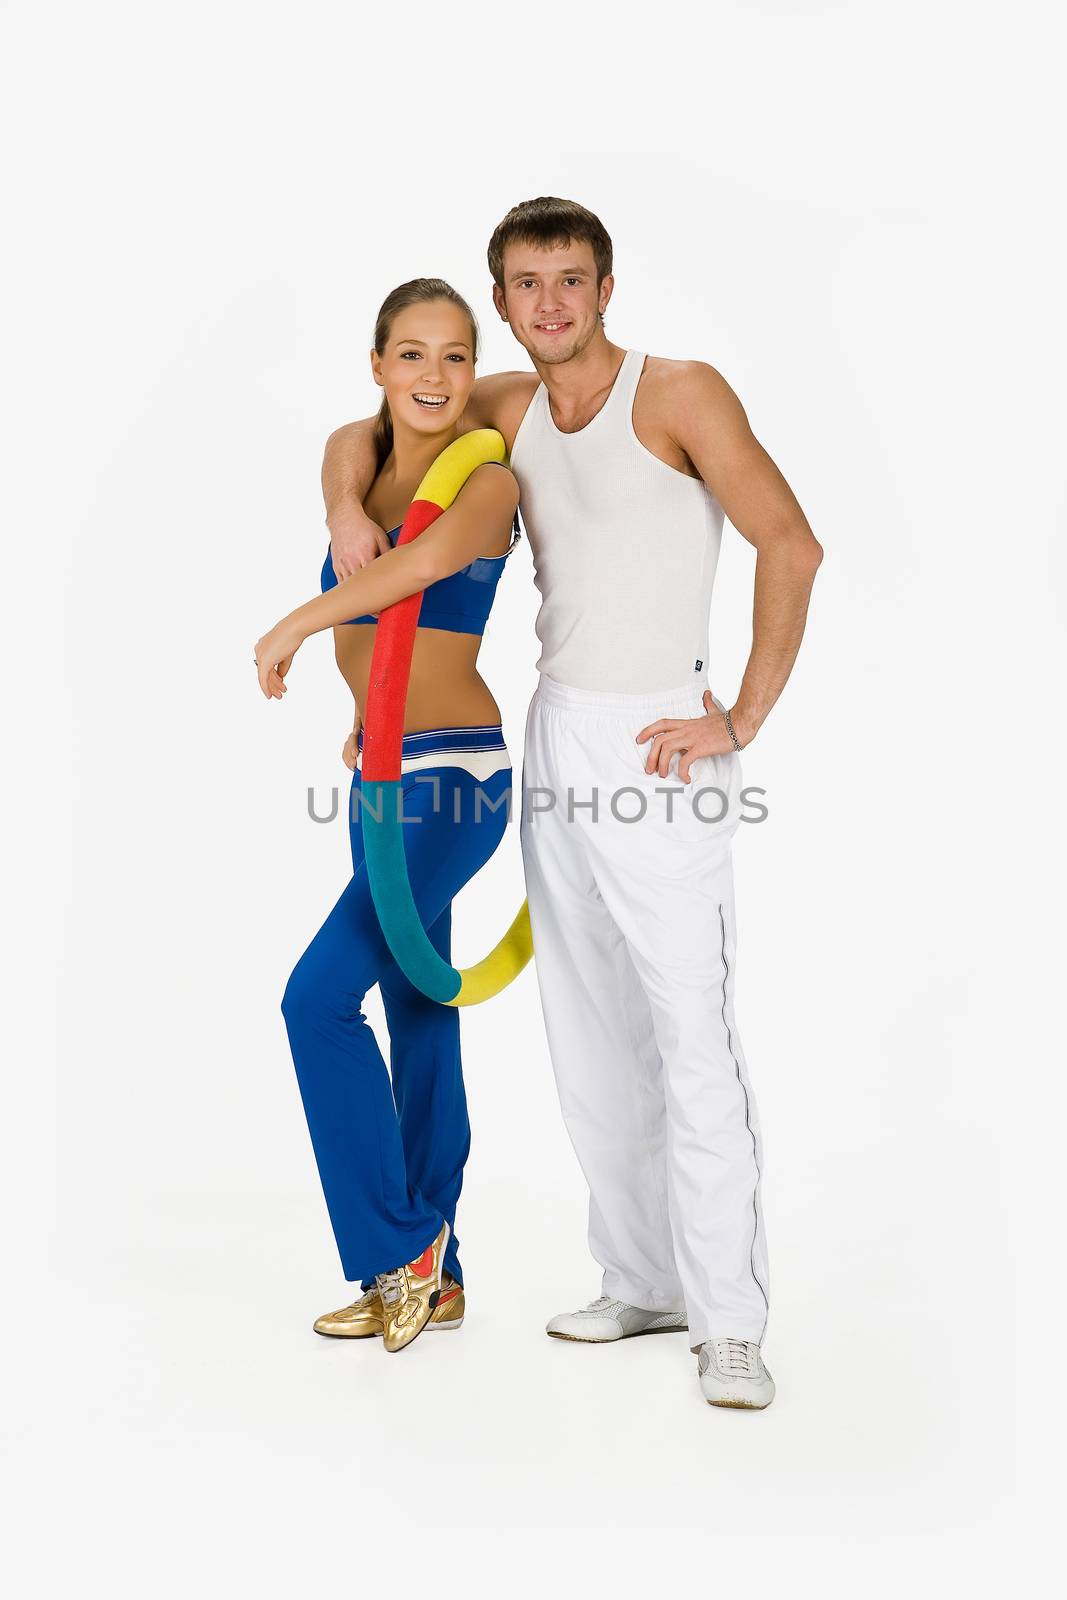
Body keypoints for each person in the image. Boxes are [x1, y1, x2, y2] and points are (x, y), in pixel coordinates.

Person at [321, 199, 824, 1407]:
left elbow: (789, 545)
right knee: (587, 1019)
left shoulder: (677, 392)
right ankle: (639, 1276)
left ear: (605, 290)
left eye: (571, 279)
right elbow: (366, 423)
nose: (549, 301)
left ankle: (730, 1321)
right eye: (526, 283)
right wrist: (344, 507)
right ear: (502, 304)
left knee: (687, 1028)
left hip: (661, 732)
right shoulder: (509, 404)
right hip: (554, 731)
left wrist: (737, 719)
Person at [254, 278, 521, 1354]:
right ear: (377, 366)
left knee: (313, 1001)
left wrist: (293, 621)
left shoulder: (491, 481)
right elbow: (336, 446)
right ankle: (438, 1275)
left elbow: (419, 568)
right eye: (410, 355)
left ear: (474, 369)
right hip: (380, 779)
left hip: (454, 785)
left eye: (455, 356)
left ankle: (395, 1249)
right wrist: (338, 509)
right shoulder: (358, 459)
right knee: (416, 1013)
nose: (433, 377)